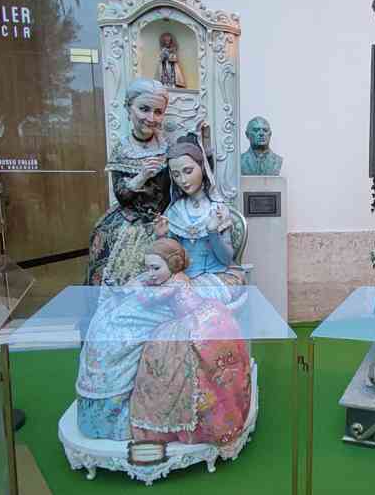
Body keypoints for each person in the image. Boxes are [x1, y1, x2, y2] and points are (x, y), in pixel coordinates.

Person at [75, 238, 251, 446]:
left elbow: (149, 299)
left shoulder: (176, 282)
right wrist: (142, 281)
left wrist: (136, 288)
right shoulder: (172, 277)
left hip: (195, 321)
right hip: (193, 314)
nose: (150, 273)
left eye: (155, 268)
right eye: (148, 268)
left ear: (173, 264)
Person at [87, 78, 170, 286]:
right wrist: (142, 176)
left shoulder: (167, 147)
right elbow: (122, 196)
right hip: (129, 224)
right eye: (144, 109)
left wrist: (204, 143)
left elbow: (188, 178)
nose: (151, 118)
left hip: (164, 221)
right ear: (128, 108)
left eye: (158, 112)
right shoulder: (123, 149)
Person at [156, 142, 245, 290]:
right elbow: (169, 259)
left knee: (185, 292)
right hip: (182, 277)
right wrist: (161, 237)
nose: (183, 180)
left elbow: (226, 259)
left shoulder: (218, 209)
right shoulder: (175, 211)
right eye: (176, 175)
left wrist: (213, 232)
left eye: (188, 171)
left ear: (202, 168)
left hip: (216, 276)